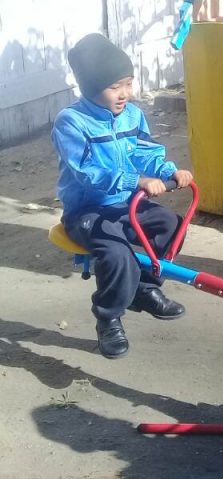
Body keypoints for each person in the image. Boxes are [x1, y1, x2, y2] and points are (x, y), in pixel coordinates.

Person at [52, 33, 192, 359]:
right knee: (117, 254)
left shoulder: (132, 115)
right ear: (90, 87)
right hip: (86, 210)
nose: (125, 93)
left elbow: (145, 151)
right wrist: (136, 180)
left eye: (128, 84)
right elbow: (87, 172)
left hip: (125, 202)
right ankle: (108, 317)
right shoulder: (71, 122)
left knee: (171, 226)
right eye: (115, 87)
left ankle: (144, 288)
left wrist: (168, 171)